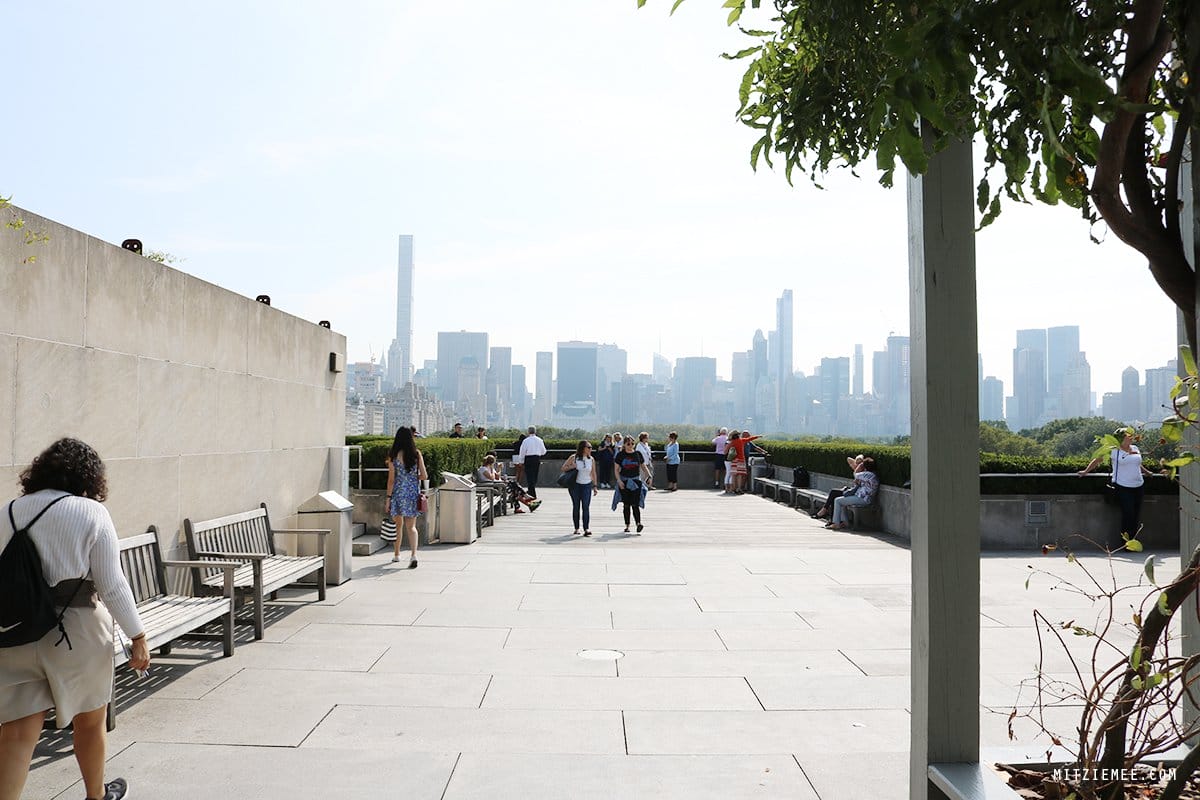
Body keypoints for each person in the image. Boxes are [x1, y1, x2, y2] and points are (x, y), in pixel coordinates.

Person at [0, 438, 147, 800]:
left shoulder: (6, 512)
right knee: (90, 721)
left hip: (15, 629)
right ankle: (96, 796)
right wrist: (137, 635)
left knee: (18, 730)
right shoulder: (91, 512)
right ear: (89, 477)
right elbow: (111, 584)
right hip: (77, 629)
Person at [1079, 427, 1162, 540]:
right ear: (1120, 439)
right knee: (1128, 514)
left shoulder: (1135, 448)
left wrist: (1147, 472)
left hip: (1138, 486)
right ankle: (1126, 542)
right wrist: (1085, 471)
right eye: (1127, 437)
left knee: (1136, 515)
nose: (1130, 438)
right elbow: (1097, 460)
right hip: (1123, 486)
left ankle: (1133, 540)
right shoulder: (1114, 451)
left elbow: (1137, 464)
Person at [385, 426, 427, 568]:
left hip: (398, 493)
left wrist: (388, 498)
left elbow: (391, 480)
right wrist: (413, 478)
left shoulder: (393, 455)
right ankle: (413, 555)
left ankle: (396, 555)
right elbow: (424, 475)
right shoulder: (416, 454)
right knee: (412, 527)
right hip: (412, 493)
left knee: (398, 525)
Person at [828, 457, 880, 531]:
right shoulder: (872, 475)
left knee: (837, 500)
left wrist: (859, 466)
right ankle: (845, 522)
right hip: (864, 498)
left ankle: (836, 523)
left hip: (863, 499)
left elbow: (855, 474)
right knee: (842, 501)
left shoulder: (868, 474)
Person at [612, 436, 650, 534]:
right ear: (624, 444)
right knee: (626, 504)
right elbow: (616, 470)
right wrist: (619, 481)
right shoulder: (620, 455)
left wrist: (648, 476)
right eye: (628, 444)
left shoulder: (637, 454)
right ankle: (627, 525)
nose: (630, 446)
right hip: (624, 481)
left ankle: (638, 523)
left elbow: (643, 466)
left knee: (635, 503)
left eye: (632, 444)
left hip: (635, 481)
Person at [561, 441, 600, 536]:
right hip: (575, 485)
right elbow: (563, 468)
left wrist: (595, 486)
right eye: (589, 447)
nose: (590, 449)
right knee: (576, 506)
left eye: (591, 447)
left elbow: (593, 473)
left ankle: (586, 528)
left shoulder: (591, 459)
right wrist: (571, 466)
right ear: (583, 448)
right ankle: (576, 528)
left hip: (587, 485)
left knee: (586, 507)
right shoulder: (574, 458)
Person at [812, 454, 866, 520]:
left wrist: (860, 463)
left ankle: (825, 512)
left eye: (859, 463)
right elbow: (848, 459)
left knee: (834, 493)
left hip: (856, 494)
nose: (854, 465)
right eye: (856, 463)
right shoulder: (858, 472)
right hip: (853, 492)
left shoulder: (861, 474)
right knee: (834, 494)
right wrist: (859, 460)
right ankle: (829, 516)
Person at [726, 430, 765, 494]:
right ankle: (739, 488)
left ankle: (735, 488)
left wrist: (764, 452)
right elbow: (751, 439)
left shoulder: (733, 442)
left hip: (736, 460)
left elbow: (725, 451)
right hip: (741, 460)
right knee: (740, 474)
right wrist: (757, 436)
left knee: (735, 474)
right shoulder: (742, 441)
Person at [518, 426, 547, 498]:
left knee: (529, 475)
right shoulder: (540, 440)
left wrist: (521, 461)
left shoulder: (526, 441)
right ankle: (531, 490)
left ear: (528, 432)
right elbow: (544, 451)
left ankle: (531, 491)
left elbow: (522, 452)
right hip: (536, 459)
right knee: (534, 476)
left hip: (528, 459)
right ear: (535, 431)